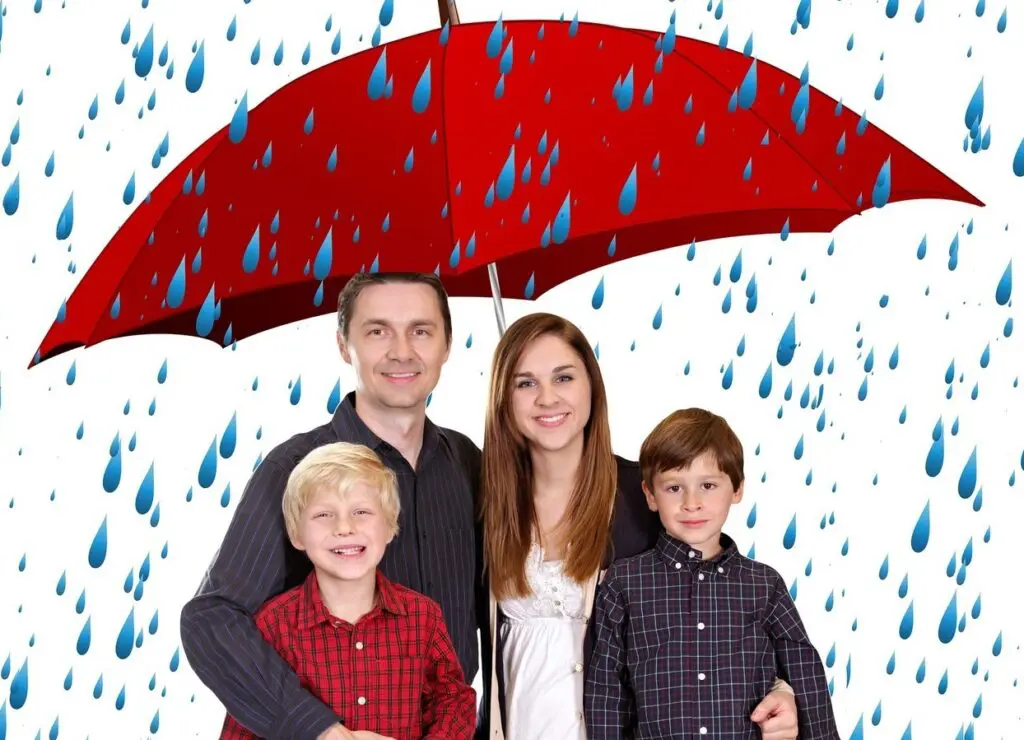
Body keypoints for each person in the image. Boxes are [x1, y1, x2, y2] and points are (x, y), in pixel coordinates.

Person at [180, 273, 489, 740]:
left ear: (448, 344)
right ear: (345, 345)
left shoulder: (467, 461)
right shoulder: (296, 469)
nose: (402, 351)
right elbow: (213, 618)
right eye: (377, 331)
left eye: (421, 331)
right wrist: (320, 729)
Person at [479, 313, 801, 740]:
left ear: (592, 386)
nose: (547, 398)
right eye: (525, 383)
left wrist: (782, 690)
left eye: (563, 378)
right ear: (504, 397)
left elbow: (719, 605)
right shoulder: (484, 503)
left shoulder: (645, 497)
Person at [584, 408, 839, 739]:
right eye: (674, 488)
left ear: (737, 490)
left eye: (708, 485)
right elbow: (607, 689)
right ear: (650, 495)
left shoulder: (764, 584)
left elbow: (804, 670)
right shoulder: (623, 582)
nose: (692, 503)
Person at [220, 442, 477, 740]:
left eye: (361, 511)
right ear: (296, 533)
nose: (344, 527)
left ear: (390, 526)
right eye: (324, 515)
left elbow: (453, 699)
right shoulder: (273, 625)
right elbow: (245, 718)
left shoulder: (423, 616)